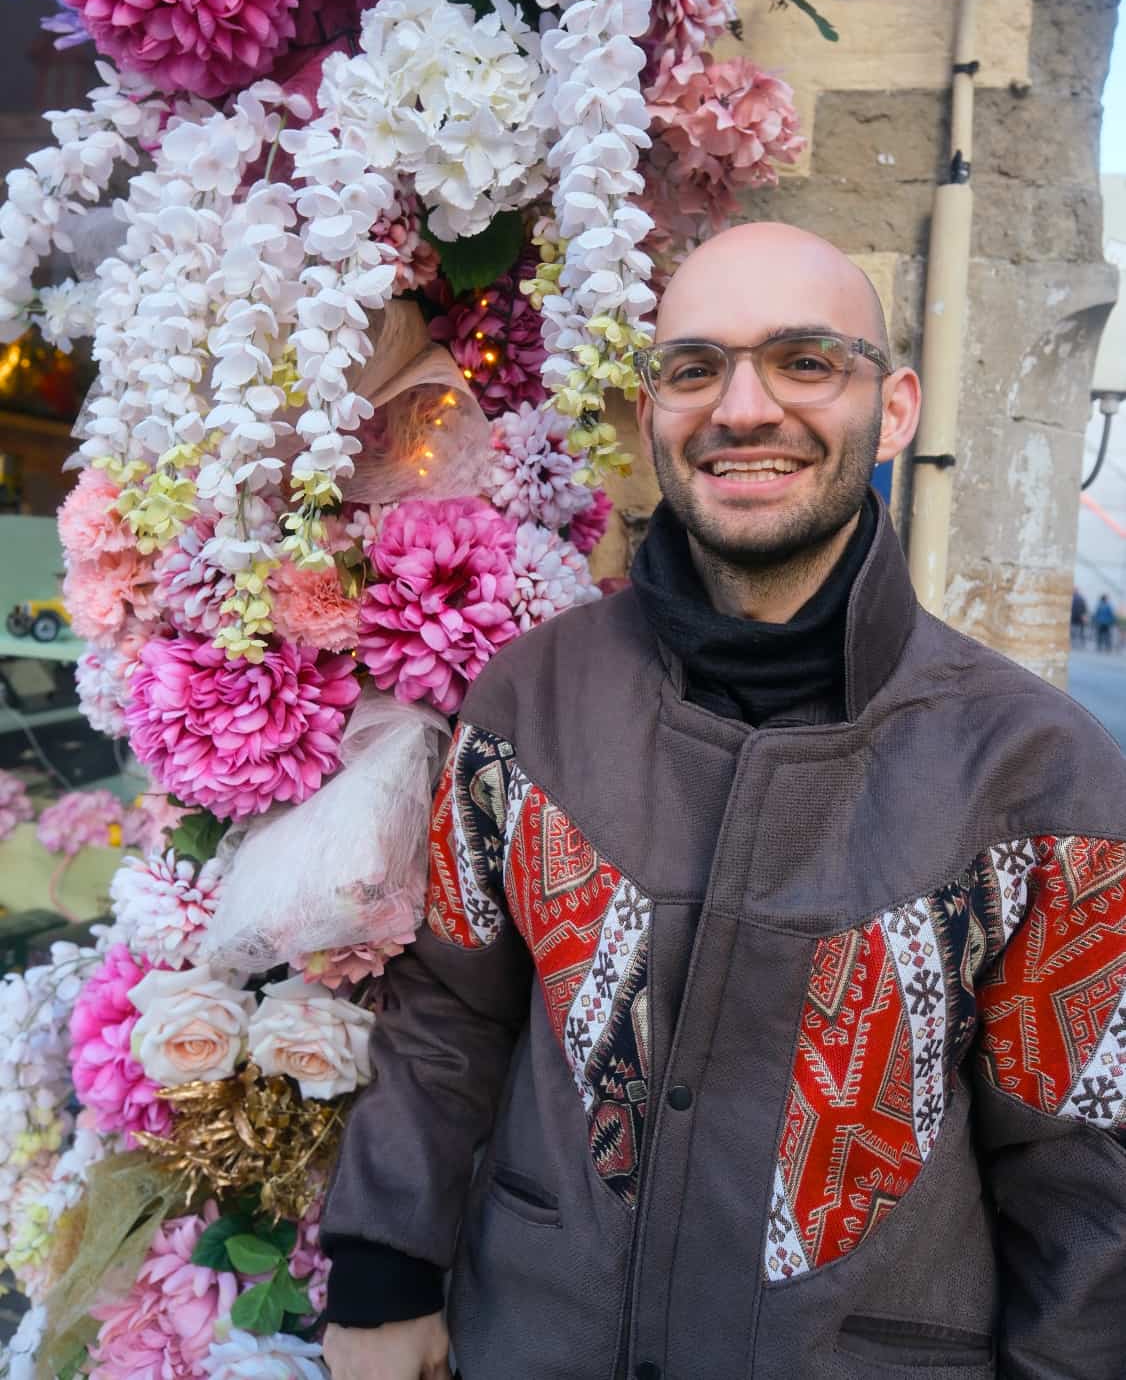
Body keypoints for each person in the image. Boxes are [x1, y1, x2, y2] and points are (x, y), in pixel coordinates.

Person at [320, 223, 1126, 1380]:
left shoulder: (1034, 768)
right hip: (538, 1341)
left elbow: (1083, 1172)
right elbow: (451, 1011)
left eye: (804, 361)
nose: (742, 408)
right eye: (694, 368)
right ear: (652, 415)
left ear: (892, 409)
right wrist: (381, 1273)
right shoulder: (533, 699)